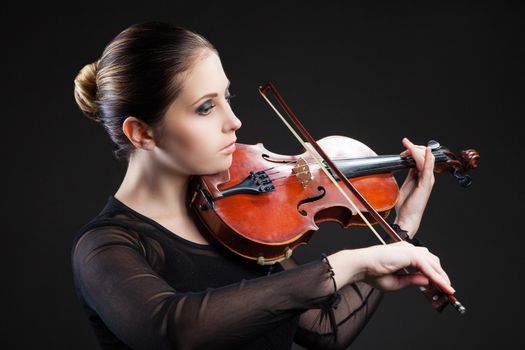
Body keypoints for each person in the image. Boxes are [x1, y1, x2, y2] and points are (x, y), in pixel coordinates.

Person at [71, 21, 455, 350]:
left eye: (227, 97)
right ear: (141, 133)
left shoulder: (243, 219)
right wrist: (346, 264)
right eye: (206, 107)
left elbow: (327, 329)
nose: (234, 121)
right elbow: (173, 329)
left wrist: (401, 228)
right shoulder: (106, 247)